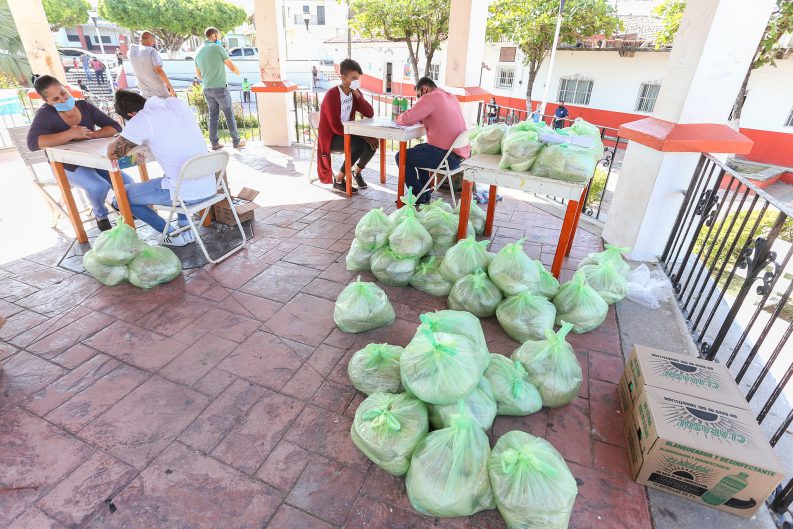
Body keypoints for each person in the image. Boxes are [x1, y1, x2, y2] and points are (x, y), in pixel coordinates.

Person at [107, 90, 218, 246]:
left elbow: (113, 153)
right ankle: (186, 229)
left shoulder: (143, 118)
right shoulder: (177, 103)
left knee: (120, 198)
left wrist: (124, 134)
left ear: (131, 114)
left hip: (185, 193)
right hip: (210, 187)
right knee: (174, 174)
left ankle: (172, 234)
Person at [26, 75, 133, 232]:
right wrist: (71, 134)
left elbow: (115, 127)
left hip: (94, 159)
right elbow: (33, 143)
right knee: (98, 187)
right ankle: (101, 215)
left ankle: (124, 209)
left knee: (128, 183)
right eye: (56, 98)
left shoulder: (84, 106)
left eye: (63, 93)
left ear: (66, 88)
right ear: (47, 101)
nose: (63, 99)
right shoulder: (45, 114)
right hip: (67, 165)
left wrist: (92, 134)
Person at [394, 77, 470, 204]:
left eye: (419, 96)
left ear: (424, 89)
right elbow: (427, 115)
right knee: (418, 151)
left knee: (401, 156)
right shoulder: (450, 97)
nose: (419, 100)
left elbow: (407, 119)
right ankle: (425, 192)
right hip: (459, 156)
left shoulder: (430, 97)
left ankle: (417, 195)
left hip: (446, 157)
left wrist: (397, 118)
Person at [317, 58, 376, 193]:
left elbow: (369, 112)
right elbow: (336, 127)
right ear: (343, 77)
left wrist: (357, 94)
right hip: (331, 138)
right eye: (354, 77)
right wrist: (363, 136)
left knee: (372, 144)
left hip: (347, 133)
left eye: (358, 78)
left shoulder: (354, 93)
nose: (357, 81)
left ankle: (357, 173)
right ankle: (339, 180)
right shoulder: (332, 95)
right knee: (360, 143)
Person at [194, 27, 246, 150]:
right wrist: (239, 73)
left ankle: (214, 143)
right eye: (219, 36)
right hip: (220, 88)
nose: (220, 38)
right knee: (229, 114)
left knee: (213, 116)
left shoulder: (198, 52)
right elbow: (232, 67)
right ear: (213, 36)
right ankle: (236, 141)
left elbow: (199, 75)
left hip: (207, 88)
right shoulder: (218, 48)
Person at [128, 31, 176, 99]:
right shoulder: (152, 51)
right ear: (149, 41)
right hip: (159, 93)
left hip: (145, 95)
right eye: (153, 42)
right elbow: (159, 70)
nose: (153, 44)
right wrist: (170, 87)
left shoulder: (131, 52)